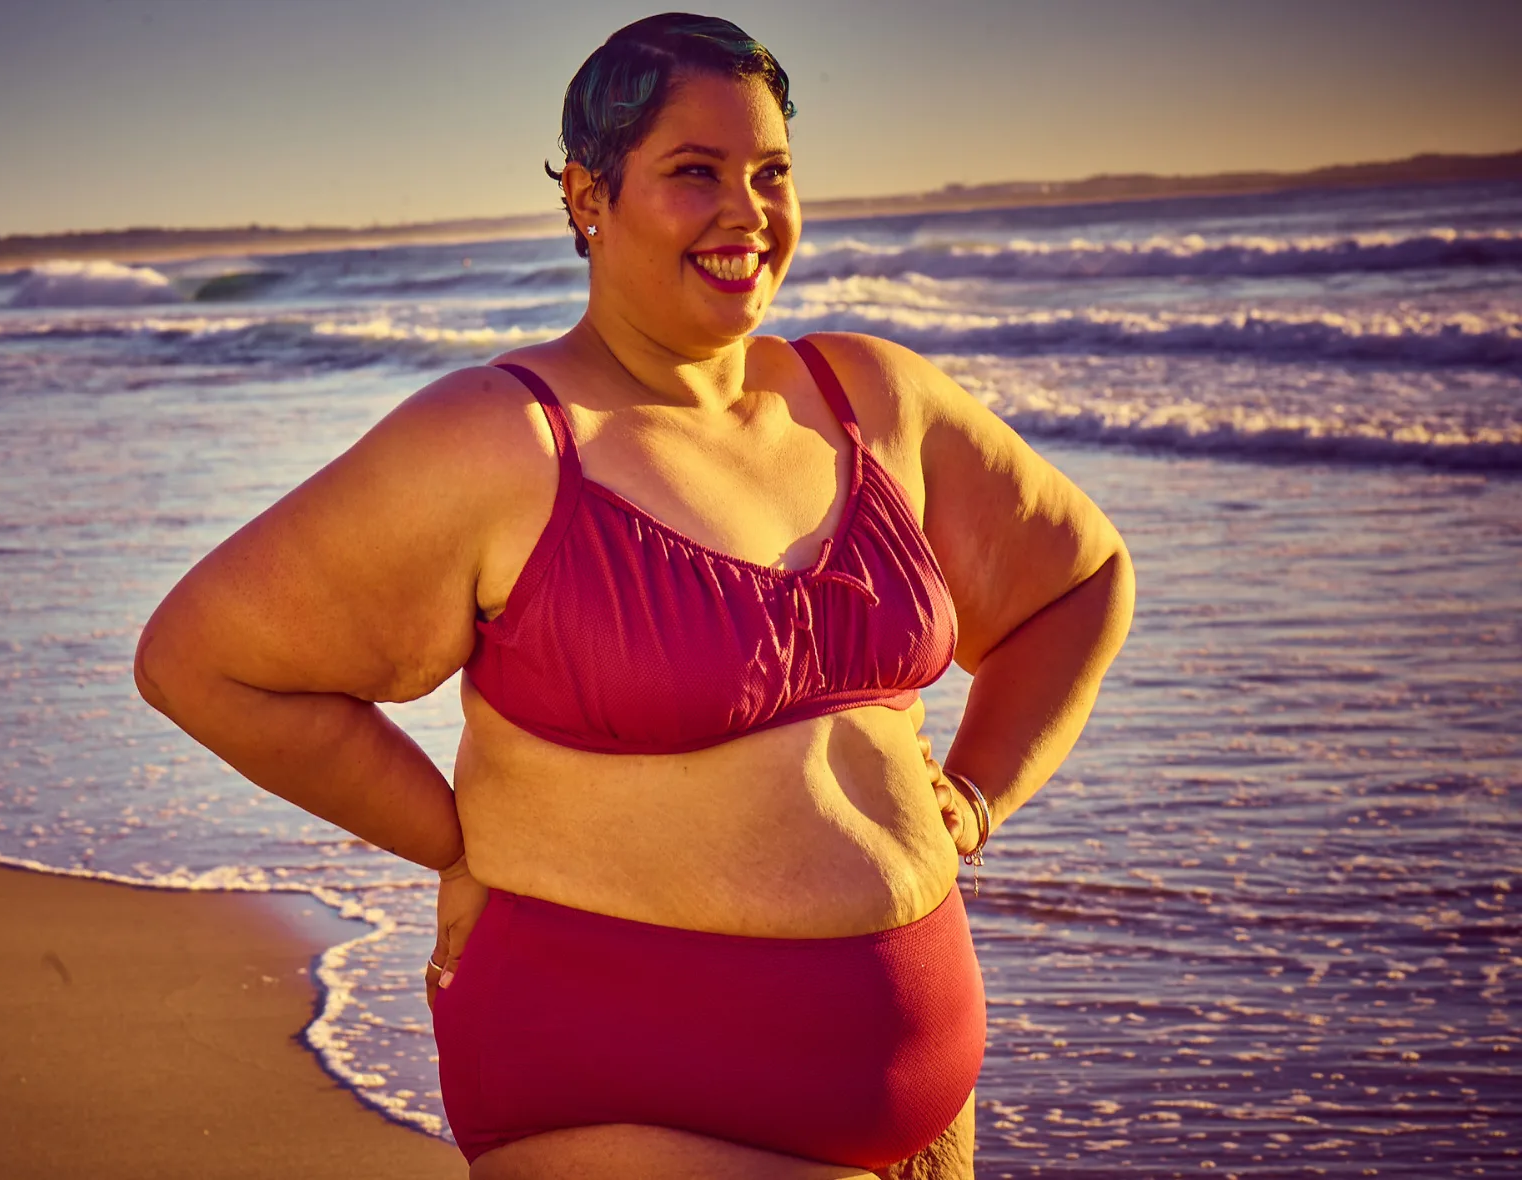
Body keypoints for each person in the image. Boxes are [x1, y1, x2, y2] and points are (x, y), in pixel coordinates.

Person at [134, 12, 1134, 1178]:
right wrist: (450, 842)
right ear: (585, 196)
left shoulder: (872, 396)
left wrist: (975, 793)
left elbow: (1080, 579)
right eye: (694, 173)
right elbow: (201, 659)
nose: (746, 213)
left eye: (771, 173)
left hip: (923, 1108)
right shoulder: (499, 440)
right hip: (627, 1087)